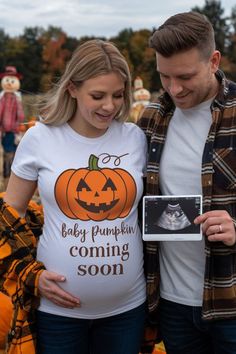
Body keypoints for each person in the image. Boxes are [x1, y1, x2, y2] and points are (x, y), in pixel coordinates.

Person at [0, 39, 147, 354]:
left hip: (126, 311)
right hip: (58, 314)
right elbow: (9, 217)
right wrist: (30, 276)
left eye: (118, 95)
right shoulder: (40, 138)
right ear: (71, 88)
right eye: (98, 96)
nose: (109, 106)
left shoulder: (135, 139)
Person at [138, 11, 236, 354]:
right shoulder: (152, 117)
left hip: (231, 302)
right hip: (173, 303)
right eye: (164, 76)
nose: (174, 88)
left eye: (185, 76)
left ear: (213, 61)